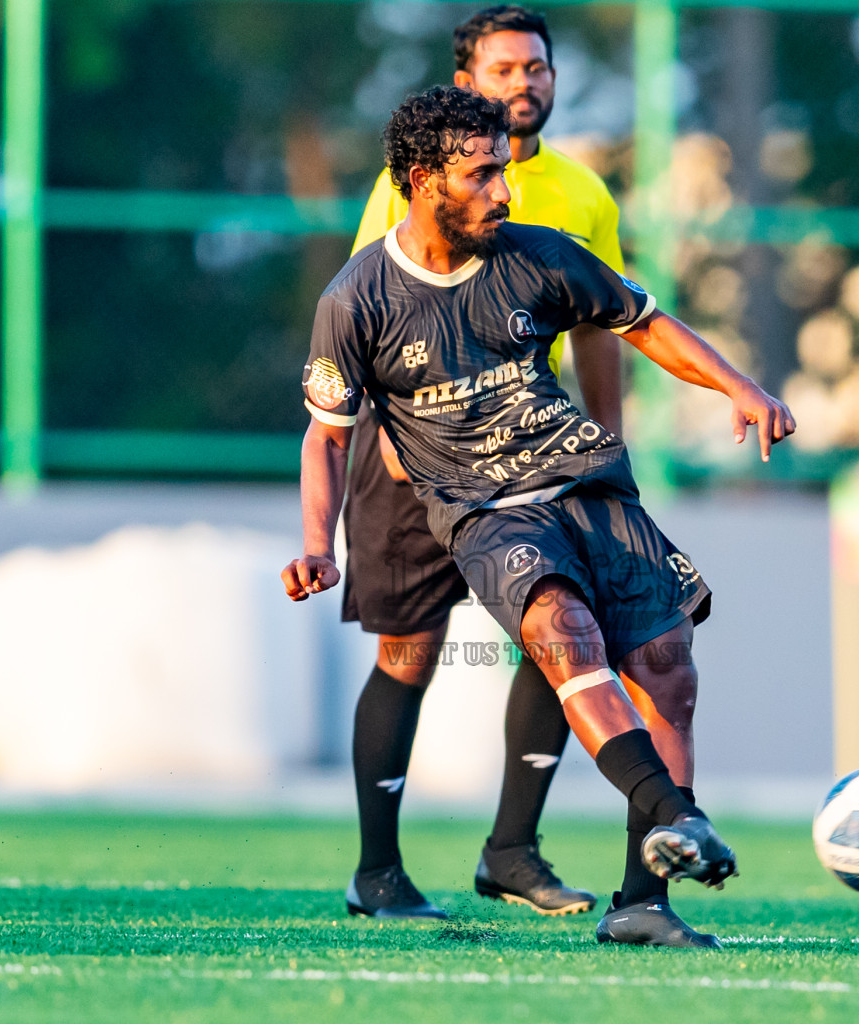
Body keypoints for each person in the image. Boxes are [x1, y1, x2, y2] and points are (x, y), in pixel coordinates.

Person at [283, 87, 795, 947]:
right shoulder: (356, 299)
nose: (503, 190)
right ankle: (676, 813)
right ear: (422, 180)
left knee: (669, 674)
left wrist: (738, 386)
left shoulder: (543, 257)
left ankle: (643, 905)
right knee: (562, 631)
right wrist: (316, 542)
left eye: (504, 169)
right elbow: (326, 439)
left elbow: (645, 324)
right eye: (481, 174)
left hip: (589, 486)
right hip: (486, 512)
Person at [342, 5, 626, 922]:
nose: (525, 83)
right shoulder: (413, 184)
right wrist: (390, 444)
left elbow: (607, 323)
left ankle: (512, 852)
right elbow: (367, 316)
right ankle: (377, 873)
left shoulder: (583, 195)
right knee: (409, 653)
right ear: (468, 83)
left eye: (537, 67)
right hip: (413, 455)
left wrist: (607, 443)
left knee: (562, 635)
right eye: (505, 69)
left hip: (527, 459)